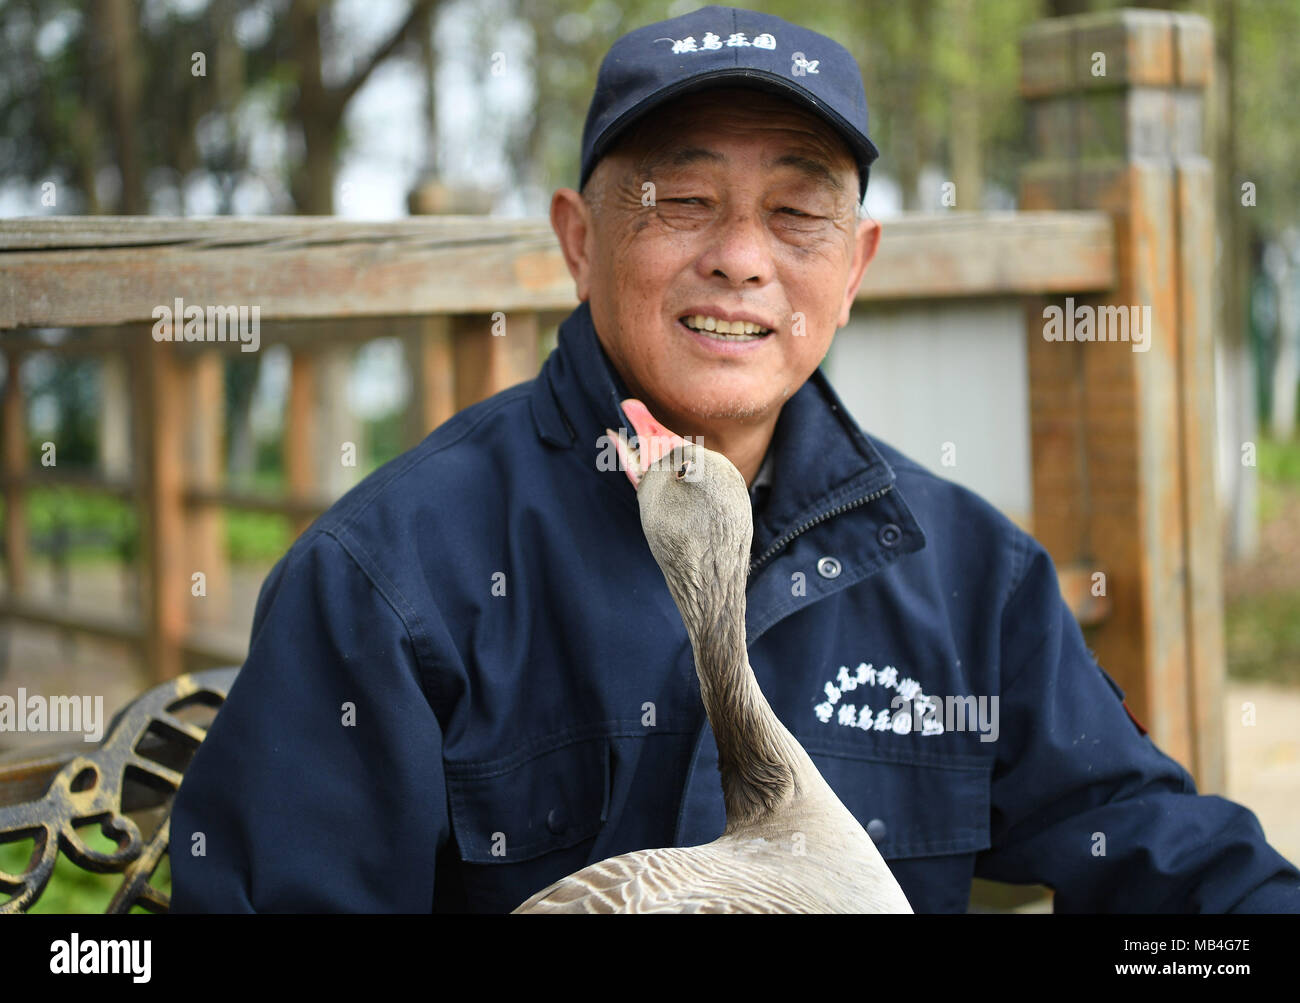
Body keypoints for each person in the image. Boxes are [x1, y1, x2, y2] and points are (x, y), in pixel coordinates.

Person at [171, 5, 1300, 913]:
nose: (741, 259)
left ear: (853, 267)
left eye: (796, 211)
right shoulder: (386, 580)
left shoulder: (968, 576)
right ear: (578, 239)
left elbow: (1157, 848)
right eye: (684, 201)